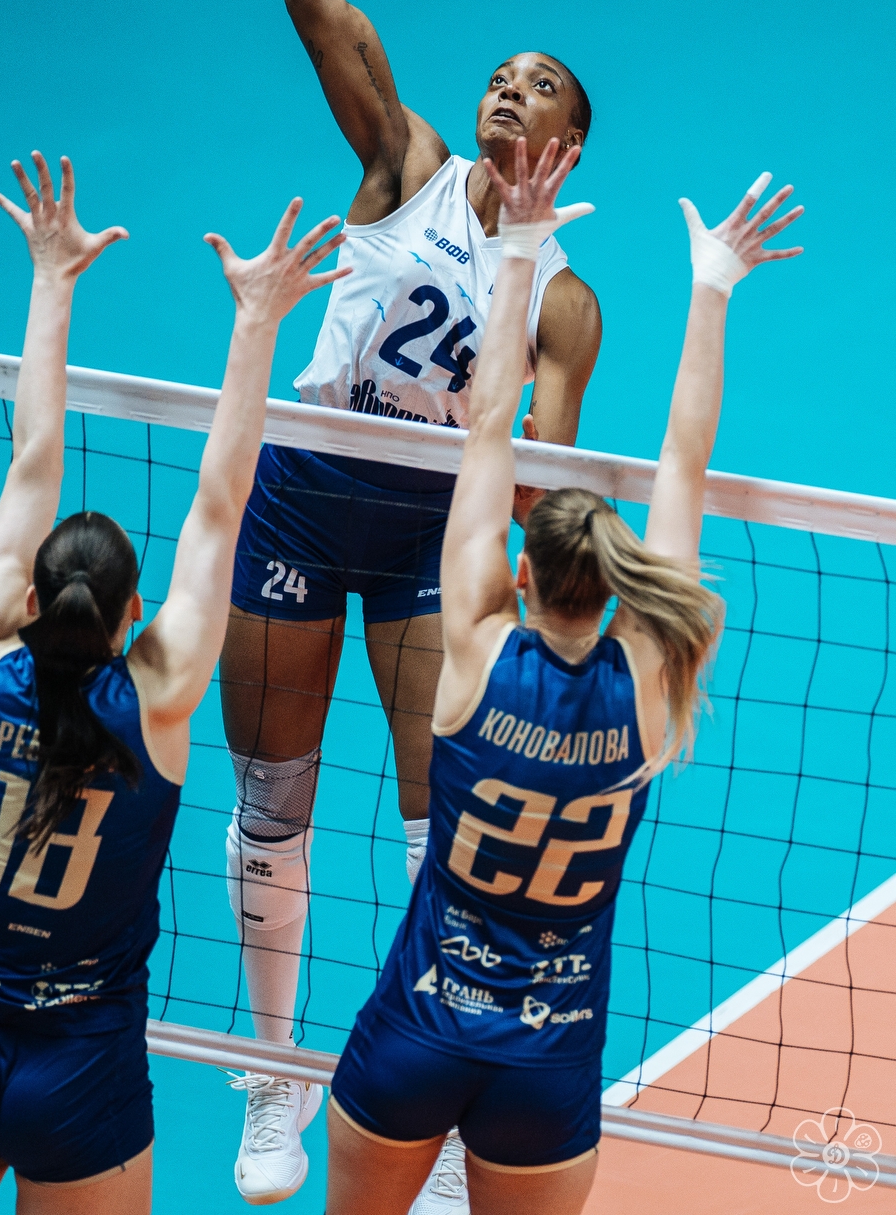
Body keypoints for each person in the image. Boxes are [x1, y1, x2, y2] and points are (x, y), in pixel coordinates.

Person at [220, 0, 602, 1205]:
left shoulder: (564, 302)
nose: (506, 85)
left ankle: (427, 1096)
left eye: (536, 83)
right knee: (273, 793)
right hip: (304, 494)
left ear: (563, 144)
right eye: (500, 71)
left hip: (431, 540)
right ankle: (272, 1072)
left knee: (441, 824)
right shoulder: (407, 162)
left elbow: (542, 484)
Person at [323, 137, 804, 1215]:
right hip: (547, 1060)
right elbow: (685, 465)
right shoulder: (652, 679)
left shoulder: (475, 645)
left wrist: (521, 248)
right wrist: (714, 287)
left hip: (416, 1031)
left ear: (519, 571)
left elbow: (489, 421)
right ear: (622, 584)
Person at [0, 153, 347, 1215]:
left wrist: (51, 275)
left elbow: (32, 459)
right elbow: (222, 502)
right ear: (135, 615)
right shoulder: (159, 698)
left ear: (29, 602)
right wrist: (258, 318)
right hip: (83, 1061)